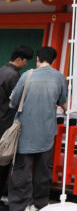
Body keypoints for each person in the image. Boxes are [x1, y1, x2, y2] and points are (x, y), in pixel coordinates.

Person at [7, 46, 67, 211]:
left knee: (21, 171)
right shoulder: (59, 77)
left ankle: (20, 206)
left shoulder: (27, 75)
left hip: (25, 132)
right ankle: (40, 205)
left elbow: (13, 102)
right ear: (53, 61)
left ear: (38, 59)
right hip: (47, 132)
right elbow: (63, 102)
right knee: (43, 172)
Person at [0, 46, 34, 205]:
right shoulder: (14, 76)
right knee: (3, 161)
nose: (25, 65)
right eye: (25, 61)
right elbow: (18, 101)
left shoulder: (2, 71)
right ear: (19, 59)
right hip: (6, 122)